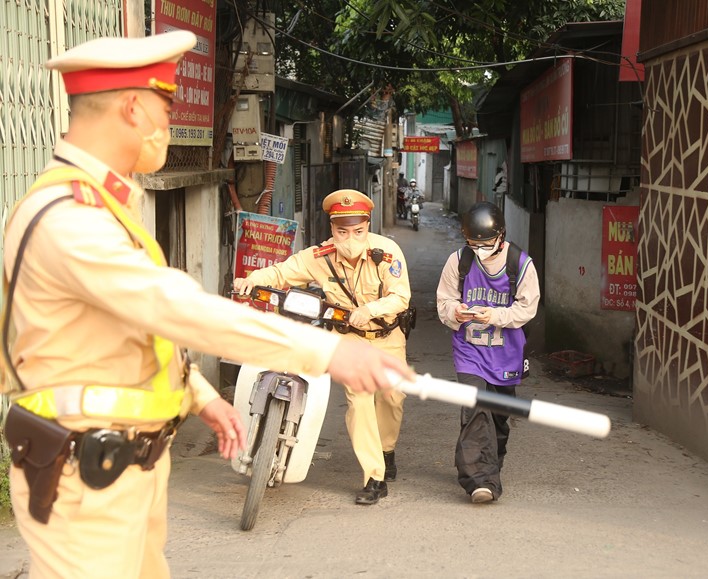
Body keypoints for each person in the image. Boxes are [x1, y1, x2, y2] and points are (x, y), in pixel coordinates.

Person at [1, 31, 411, 579]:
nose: (168, 127)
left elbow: (130, 328)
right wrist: (325, 352)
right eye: (166, 108)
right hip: (84, 475)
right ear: (131, 106)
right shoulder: (68, 217)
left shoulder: (104, 205)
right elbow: (171, 306)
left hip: (122, 467)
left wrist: (196, 395)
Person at [234, 188, 411, 505]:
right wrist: (251, 278)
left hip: (386, 337)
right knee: (360, 403)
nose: (350, 239)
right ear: (333, 229)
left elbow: (400, 298)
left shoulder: (387, 253)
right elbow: (281, 272)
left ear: (367, 227)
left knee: (392, 400)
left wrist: (368, 311)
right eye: (343, 232)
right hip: (348, 340)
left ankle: (386, 449)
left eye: (358, 231)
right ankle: (374, 476)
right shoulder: (319, 257)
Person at [435, 201, 540, 503]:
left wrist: (493, 316)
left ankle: (491, 468)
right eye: (473, 243)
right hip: (469, 351)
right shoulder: (458, 261)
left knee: (498, 417)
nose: (479, 249)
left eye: (486, 243)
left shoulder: (520, 263)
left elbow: (527, 309)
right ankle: (479, 480)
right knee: (475, 408)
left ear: (501, 237)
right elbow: (444, 302)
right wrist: (456, 311)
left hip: (506, 353)